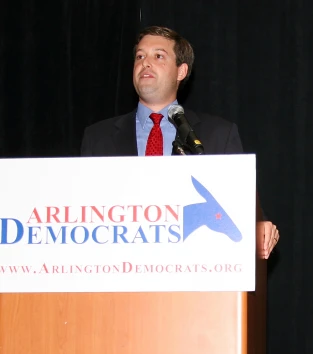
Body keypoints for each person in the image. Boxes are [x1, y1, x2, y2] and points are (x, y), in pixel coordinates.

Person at [81, 26, 279, 259]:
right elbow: (81, 211)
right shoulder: (98, 137)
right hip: (118, 265)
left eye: (158, 56)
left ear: (181, 71)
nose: (145, 63)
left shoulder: (218, 135)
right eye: (140, 56)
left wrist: (259, 228)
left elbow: (242, 212)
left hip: (192, 266)